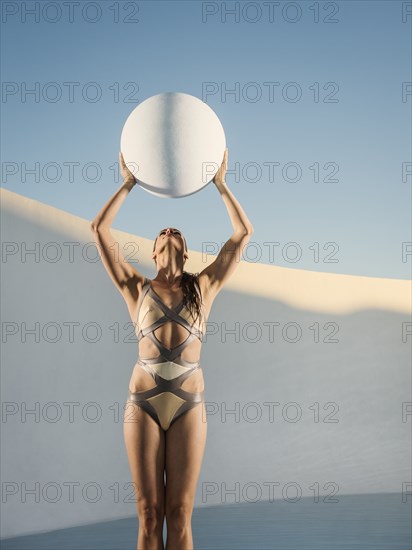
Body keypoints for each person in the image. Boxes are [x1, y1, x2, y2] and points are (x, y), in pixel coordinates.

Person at [90, 149, 253, 549]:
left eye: (175, 230)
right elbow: (98, 229)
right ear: (153, 250)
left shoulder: (205, 287)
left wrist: (220, 184)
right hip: (142, 402)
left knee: (179, 515)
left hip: (188, 405)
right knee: (149, 515)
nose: (167, 230)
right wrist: (128, 182)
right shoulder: (135, 287)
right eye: (161, 231)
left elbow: (243, 234)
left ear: (184, 248)